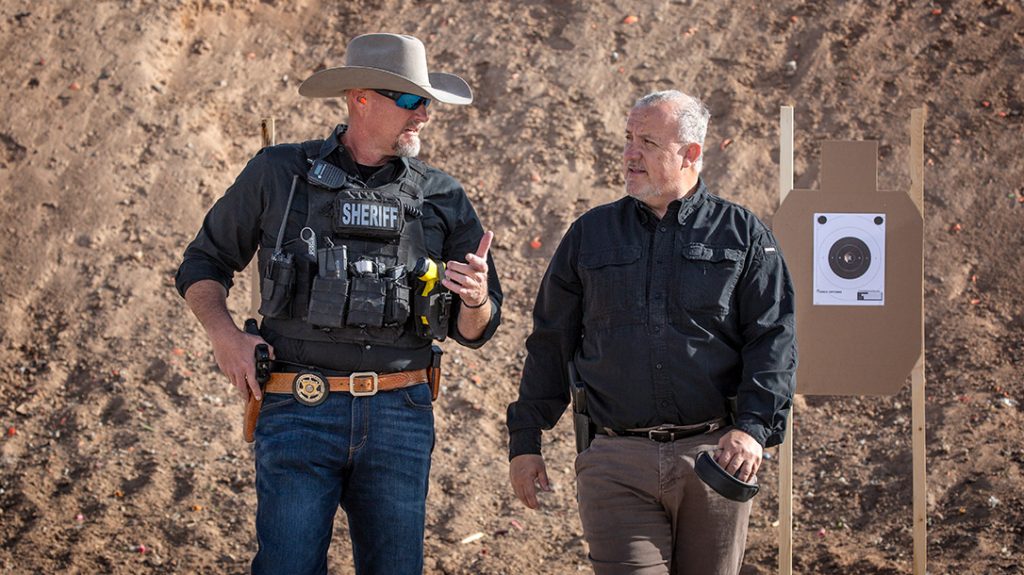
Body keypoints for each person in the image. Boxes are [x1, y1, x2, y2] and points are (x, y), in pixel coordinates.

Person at [175, 33, 502, 575]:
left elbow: (478, 328)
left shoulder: (441, 195)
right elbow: (202, 263)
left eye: (427, 102)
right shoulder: (279, 173)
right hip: (298, 407)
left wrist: (474, 298)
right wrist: (225, 336)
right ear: (359, 98)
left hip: (402, 414)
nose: (423, 115)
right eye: (409, 100)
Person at [506, 90, 796, 575]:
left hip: (715, 461)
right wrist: (525, 440)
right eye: (627, 139)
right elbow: (551, 341)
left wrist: (752, 429)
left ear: (691, 154)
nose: (629, 154)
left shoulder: (744, 235)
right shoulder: (589, 234)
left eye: (647, 141)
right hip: (615, 462)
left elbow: (773, 339)